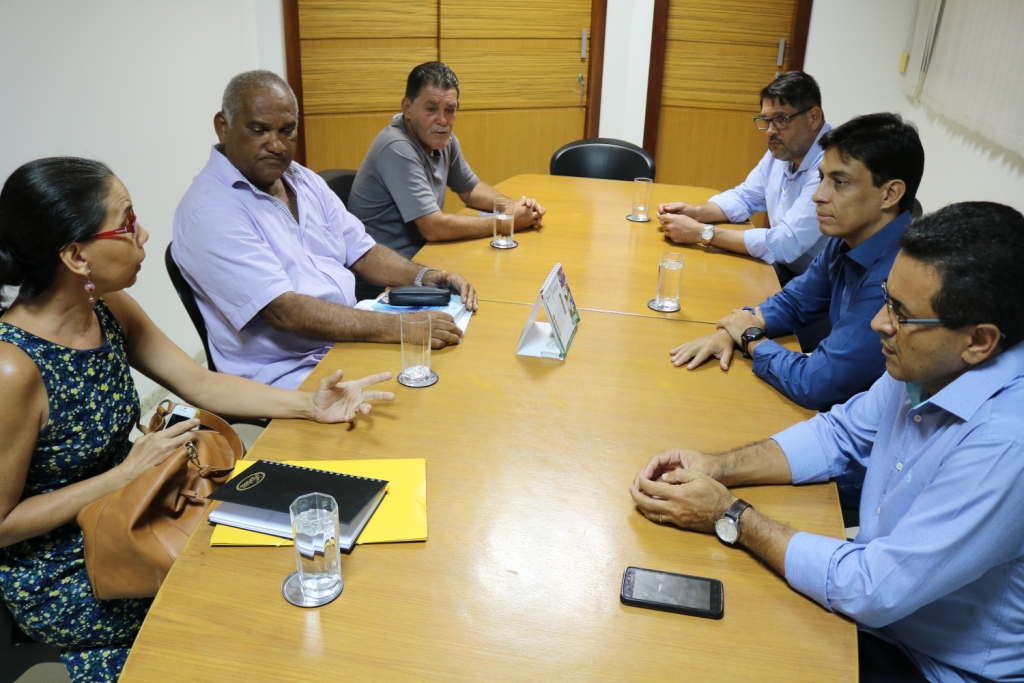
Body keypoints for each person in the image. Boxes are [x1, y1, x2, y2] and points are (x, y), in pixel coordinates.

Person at [0, 157, 395, 682]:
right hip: (71, 566)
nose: (143, 234)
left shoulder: (108, 307)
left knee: (277, 560)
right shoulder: (12, 367)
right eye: (126, 223)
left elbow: (200, 382)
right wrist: (121, 475)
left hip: (139, 506)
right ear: (76, 255)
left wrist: (309, 405)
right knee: (244, 608)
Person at [632, 201, 1024, 683]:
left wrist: (729, 515)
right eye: (887, 298)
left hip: (933, 665)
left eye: (902, 315)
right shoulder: (930, 362)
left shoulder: (1007, 443)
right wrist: (717, 467)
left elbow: (873, 589)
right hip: (879, 619)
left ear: (979, 341)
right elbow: (838, 435)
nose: (879, 323)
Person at [173, 70, 478, 390]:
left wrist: (426, 276)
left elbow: (363, 252)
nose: (276, 145)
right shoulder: (209, 211)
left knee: (457, 368)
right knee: (430, 395)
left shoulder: (301, 178)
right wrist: (401, 328)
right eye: (258, 130)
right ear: (223, 126)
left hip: (343, 340)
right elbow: (284, 312)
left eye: (287, 130)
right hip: (287, 372)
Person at [669, 113, 925, 414]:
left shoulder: (897, 276)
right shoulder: (850, 236)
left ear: (890, 194)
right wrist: (731, 330)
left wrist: (750, 338)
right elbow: (795, 302)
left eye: (840, 182)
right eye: (821, 178)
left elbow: (816, 383)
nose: (818, 195)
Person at [347, 62, 545, 259]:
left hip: (423, 252)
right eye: (431, 109)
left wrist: (514, 208)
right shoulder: (396, 147)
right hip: (386, 268)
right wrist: (507, 222)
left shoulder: (444, 140)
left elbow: (470, 190)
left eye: (449, 110)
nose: (442, 120)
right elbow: (434, 227)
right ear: (407, 108)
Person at [657, 71, 831, 282]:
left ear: (814, 117)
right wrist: (696, 213)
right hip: (784, 268)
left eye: (781, 120)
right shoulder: (784, 149)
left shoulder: (831, 163)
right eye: (766, 120)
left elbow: (786, 243)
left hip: (819, 285)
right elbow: (746, 196)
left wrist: (701, 233)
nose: (770, 131)